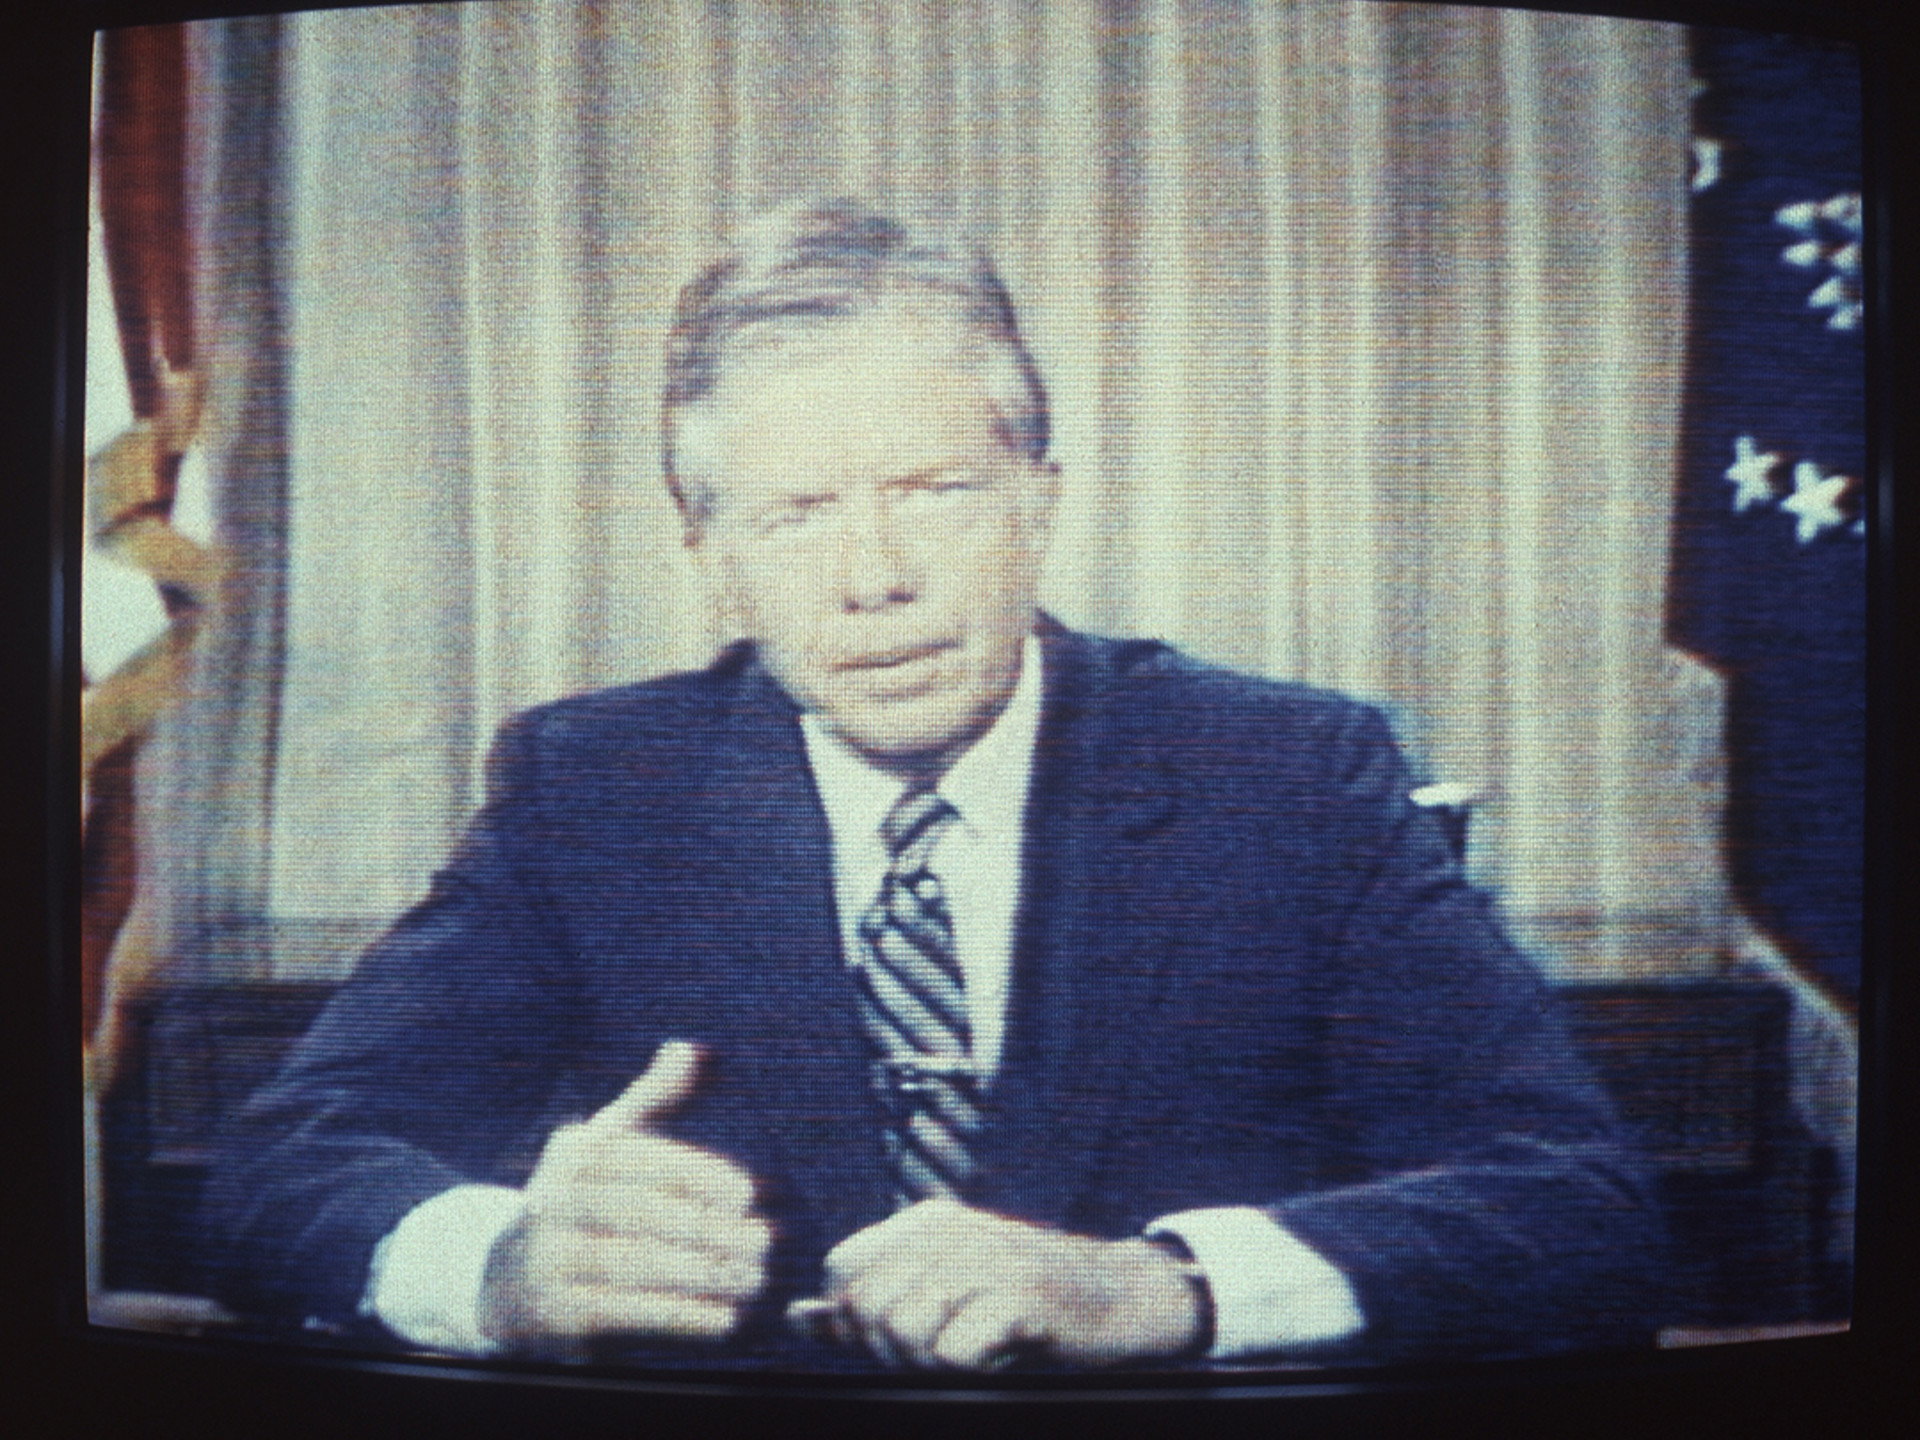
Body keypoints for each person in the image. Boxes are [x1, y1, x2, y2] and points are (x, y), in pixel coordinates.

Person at [204, 197, 1662, 1372]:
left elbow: (1583, 1208)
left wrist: (1161, 1289)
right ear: (710, 557)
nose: (876, 580)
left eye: (935, 492)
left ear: (1039, 498)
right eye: (797, 514)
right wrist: (499, 1267)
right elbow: (278, 1172)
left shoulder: (1286, 778)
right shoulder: (596, 792)